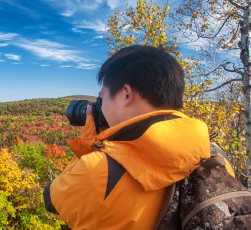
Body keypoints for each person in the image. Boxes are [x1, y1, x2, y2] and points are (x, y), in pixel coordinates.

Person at [43, 45, 214, 229]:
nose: (101, 105)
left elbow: (51, 199)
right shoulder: (213, 154)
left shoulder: (98, 170)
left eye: (103, 97)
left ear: (126, 94)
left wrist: (90, 144)